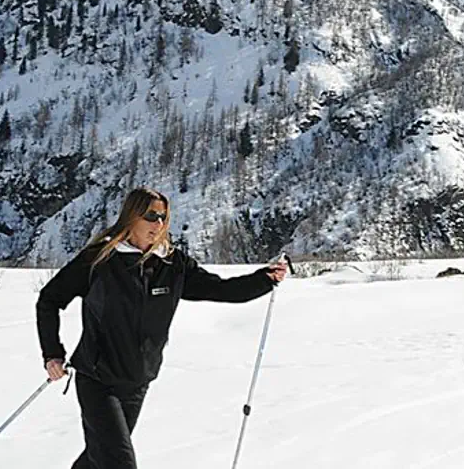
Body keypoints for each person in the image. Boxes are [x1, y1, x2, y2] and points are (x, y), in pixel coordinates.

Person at [35, 187, 290, 469]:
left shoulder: (172, 263)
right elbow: (49, 300)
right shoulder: (100, 259)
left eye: (163, 217)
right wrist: (52, 353)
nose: (158, 224)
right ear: (131, 217)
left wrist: (263, 279)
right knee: (119, 463)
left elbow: (221, 289)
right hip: (97, 379)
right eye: (151, 216)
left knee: (99, 459)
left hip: (138, 380)